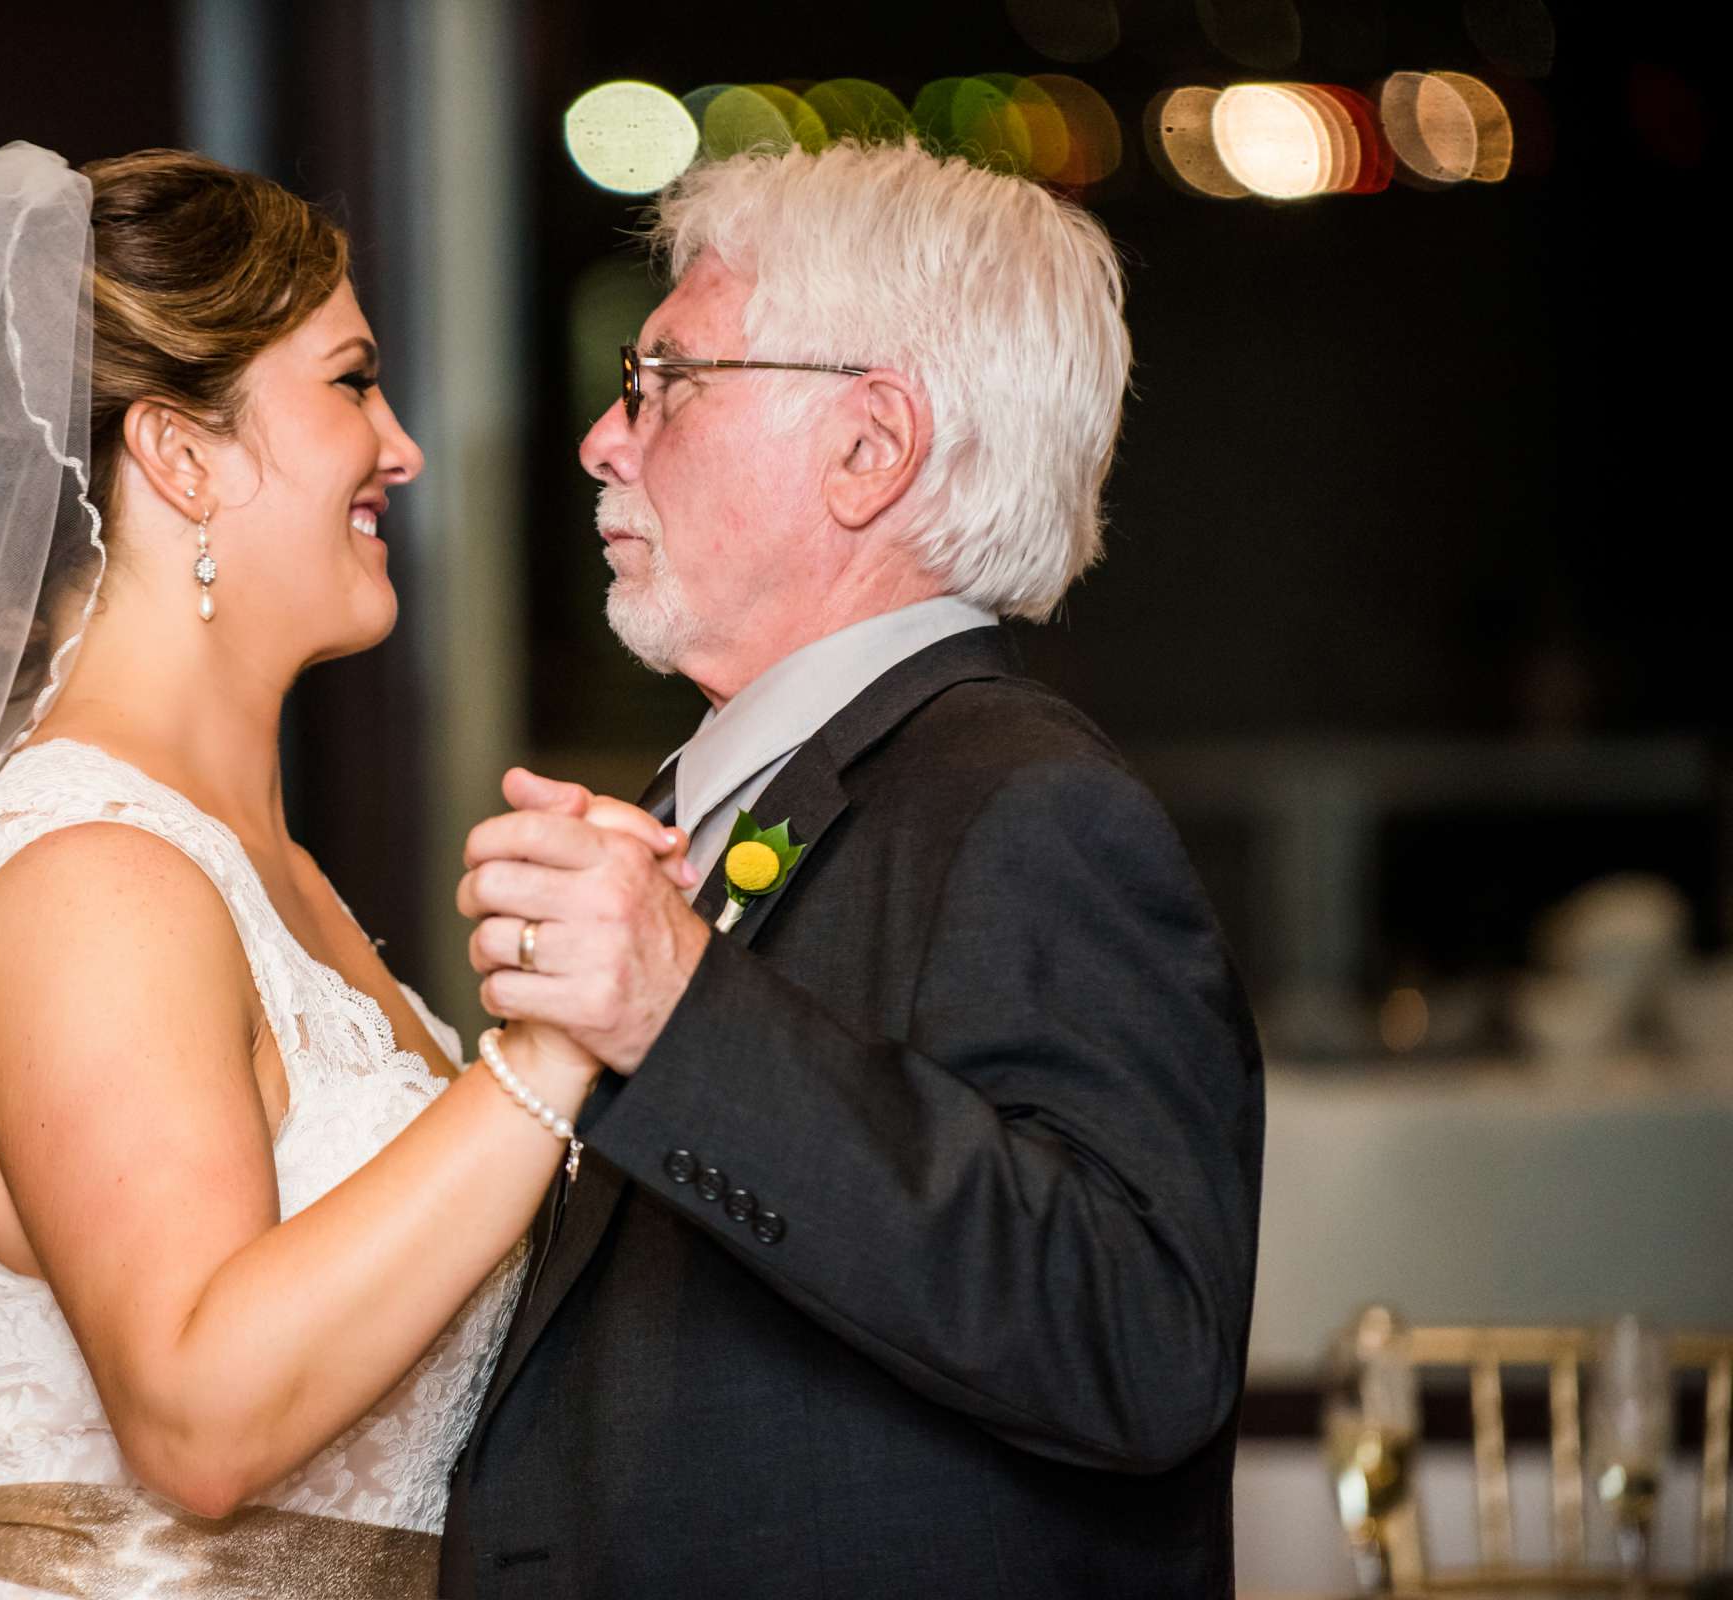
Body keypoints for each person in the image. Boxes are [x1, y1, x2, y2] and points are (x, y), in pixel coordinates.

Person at [0, 142, 684, 1599]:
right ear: (181, 456)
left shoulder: (253, 868)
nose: (402, 446)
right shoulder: (91, 877)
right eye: (349, 383)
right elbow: (198, 1414)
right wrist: (552, 1053)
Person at [444, 140, 1266, 1597]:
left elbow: (1139, 1343)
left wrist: (680, 1016)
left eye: (665, 382)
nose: (602, 439)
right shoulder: (737, 804)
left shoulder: (1026, 802)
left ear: (871, 446)